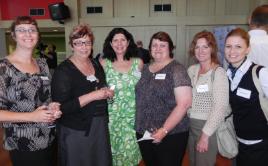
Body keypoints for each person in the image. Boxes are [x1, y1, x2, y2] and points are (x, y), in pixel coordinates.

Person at [0, 16, 61, 166]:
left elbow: (47, 98)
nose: (28, 34)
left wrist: (53, 107)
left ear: (38, 35)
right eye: (21, 30)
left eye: (32, 30)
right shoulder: (4, 68)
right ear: (13, 35)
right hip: (24, 143)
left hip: (50, 137)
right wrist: (32, 116)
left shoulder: (42, 64)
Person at [51, 24, 113, 166]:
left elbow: (99, 85)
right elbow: (61, 108)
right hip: (76, 129)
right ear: (71, 45)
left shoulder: (96, 64)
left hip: (99, 126)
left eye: (87, 42)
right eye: (78, 43)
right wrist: (93, 95)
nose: (84, 47)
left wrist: (106, 91)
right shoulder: (64, 71)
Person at [135, 31, 192, 166]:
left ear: (170, 49)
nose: (158, 48)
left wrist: (164, 130)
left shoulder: (177, 69)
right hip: (145, 132)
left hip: (171, 134)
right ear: (149, 49)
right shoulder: (145, 68)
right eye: (154, 45)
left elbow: (184, 103)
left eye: (162, 45)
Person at [225, 27, 268, 166]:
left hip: (260, 145)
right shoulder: (228, 74)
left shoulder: (260, 73)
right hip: (238, 142)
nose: (232, 51)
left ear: (248, 49)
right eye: (228, 46)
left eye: (238, 47)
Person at [100, 27, 143, 166]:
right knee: (112, 154)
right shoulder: (104, 64)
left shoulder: (138, 63)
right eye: (115, 40)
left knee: (131, 154)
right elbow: (97, 89)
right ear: (111, 44)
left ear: (128, 42)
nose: (119, 43)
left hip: (133, 118)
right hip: (111, 119)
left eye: (122, 40)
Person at [187, 31, 230, 166]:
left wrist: (205, 136)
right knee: (193, 162)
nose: (201, 51)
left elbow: (220, 107)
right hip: (190, 125)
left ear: (212, 49)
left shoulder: (218, 73)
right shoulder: (191, 70)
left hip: (207, 126)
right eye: (197, 47)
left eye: (205, 47)